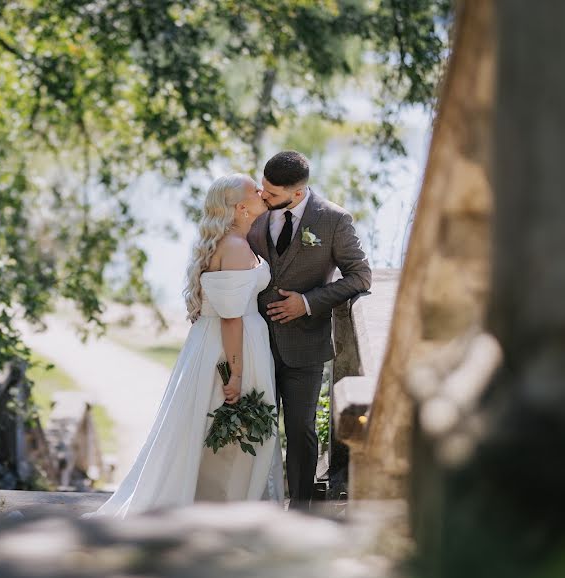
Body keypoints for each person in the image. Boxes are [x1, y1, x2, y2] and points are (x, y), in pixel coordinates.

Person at [85, 173, 283, 519]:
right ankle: (224, 510)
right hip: (229, 347)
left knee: (213, 431)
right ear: (240, 208)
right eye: (256, 191)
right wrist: (235, 373)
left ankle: (218, 506)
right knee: (228, 432)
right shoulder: (234, 247)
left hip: (223, 341)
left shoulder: (234, 240)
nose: (262, 193)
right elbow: (231, 318)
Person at [247, 151, 372, 511]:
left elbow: (360, 276)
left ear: (297, 194)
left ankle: (299, 510)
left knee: (300, 429)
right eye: (262, 188)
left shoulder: (334, 220)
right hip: (255, 339)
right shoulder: (257, 212)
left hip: (305, 344)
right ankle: (250, 503)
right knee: (253, 425)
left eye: (271, 194)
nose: (262, 197)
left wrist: (307, 302)